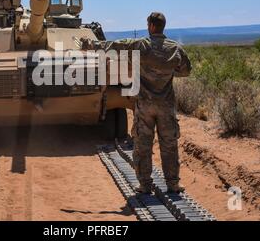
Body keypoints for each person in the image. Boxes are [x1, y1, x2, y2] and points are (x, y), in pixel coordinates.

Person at [79, 12, 192, 194]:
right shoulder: (175, 49)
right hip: (166, 106)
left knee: (143, 145)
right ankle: (173, 184)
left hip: (145, 106)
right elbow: (186, 70)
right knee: (169, 145)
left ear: (152, 26)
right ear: (163, 26)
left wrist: (91, 45)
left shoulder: (141, 46)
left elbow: (116, 45)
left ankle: (145, 185)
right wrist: (166, 72)